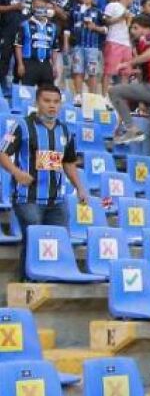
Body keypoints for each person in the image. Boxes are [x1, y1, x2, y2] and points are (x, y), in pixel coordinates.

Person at [0, 84, 88, 275]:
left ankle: (51, 279)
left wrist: (80, 187)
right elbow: (2, 153)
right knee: (35, 239)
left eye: (56, 102)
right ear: (37, 102)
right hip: (27, 199)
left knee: (58, 241)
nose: (52, 106)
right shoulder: (21, 126)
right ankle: (25, 281)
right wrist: (17, 172)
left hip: (57, 200)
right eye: (47, 101)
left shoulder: (65, 131)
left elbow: (69, 163)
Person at [109, 15, 150, 173]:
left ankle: (131, 127)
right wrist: (133, 69)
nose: (132, 32)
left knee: (114, 91)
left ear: (147, 28)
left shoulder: (147, 39)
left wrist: (128, 63)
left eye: (135, 28)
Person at [15, 0, 59, 88]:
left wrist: (54, 66)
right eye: (37, 7)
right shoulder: (24, 25)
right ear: (32, 8)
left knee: (47, 90)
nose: (40, 9)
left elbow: (55, 49)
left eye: (42, 7)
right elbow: (18, 46)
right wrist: (20, 64)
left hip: (46, 63)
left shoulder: (53, 27)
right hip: (29, 62)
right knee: (27, 91)